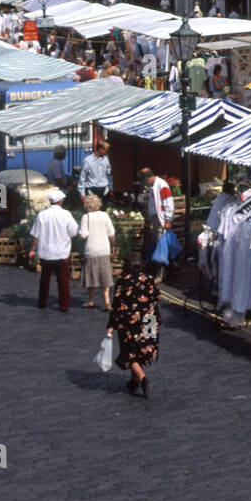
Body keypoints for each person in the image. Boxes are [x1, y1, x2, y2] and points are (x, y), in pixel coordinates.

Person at [106, 252, 160, 398]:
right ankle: (133, 380)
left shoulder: (123, 281)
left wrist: (111, 325)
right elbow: (157, 297)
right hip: (150, 320)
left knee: (129, 353)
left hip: (131, 322)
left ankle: (142, 378)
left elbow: (117, 305)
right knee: (143, 349)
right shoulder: (149, 279)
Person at [28, 188, 79, 311]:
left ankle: (42, 301)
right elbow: (74, 232)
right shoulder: (66, 214)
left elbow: (36, 235)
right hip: (62, 253)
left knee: (45, 279)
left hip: (46, 253)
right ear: (60, 201)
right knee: (63, 281)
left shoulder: (42, 215)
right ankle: (64, 304)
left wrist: (33, 249)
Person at [78, 193, 116, 310]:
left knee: (90, 275)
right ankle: (107, 300)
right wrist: (113, 246)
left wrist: (80, 236)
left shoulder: (86, 217)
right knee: (105, 275)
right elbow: (112, 233)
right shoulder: (105, 215)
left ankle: (91, 301)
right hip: (104, 249)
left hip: (91, 250)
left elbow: (83, 235)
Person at [141, 167, 174, 277]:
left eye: (146, 180)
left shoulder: (162, 185)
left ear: (149, 178)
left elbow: (168, 202)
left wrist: (168, 219)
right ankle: (169, 266)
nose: (145, 183)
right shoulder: (152, 186)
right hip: (156, 219)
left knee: (161, 245)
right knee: (158, 244)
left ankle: (161, 273)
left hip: (162, 220)